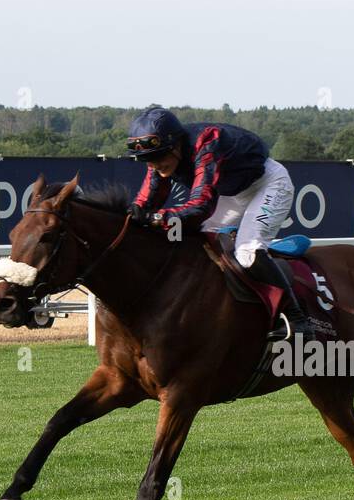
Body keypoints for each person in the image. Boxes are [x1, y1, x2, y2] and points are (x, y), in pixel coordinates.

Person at [125, 107, 314, 341]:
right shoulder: (162, 157)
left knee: (247, 251)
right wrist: (135, 211)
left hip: (268, 184)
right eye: (147, 161)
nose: (154, 166)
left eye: (158, 158)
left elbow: (199, 206)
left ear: (175, 145)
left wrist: (156, 218)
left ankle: (298, 320)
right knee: (197, 240)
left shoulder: (206, 142)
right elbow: (149, 196)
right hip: (231, 192)